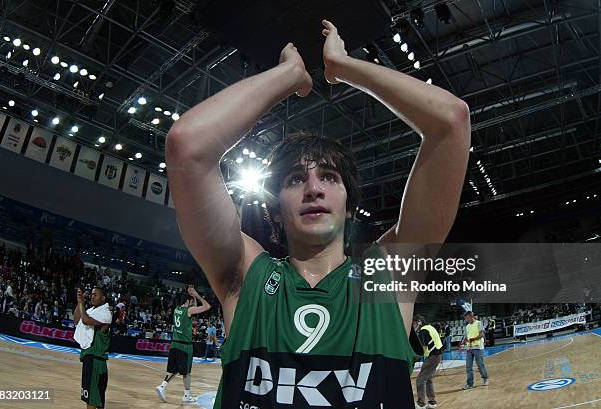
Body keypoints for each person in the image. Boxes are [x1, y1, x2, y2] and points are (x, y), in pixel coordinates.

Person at [166, 19, 470, 408]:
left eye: (329, 177)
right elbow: (186, 145)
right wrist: (287, 75)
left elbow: (451, 121)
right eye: (295, 180)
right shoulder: (245, 275)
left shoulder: (389, 275)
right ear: (275, 212)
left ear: (348, 206)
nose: (313, 188)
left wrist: (344, 66)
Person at [156, 286, 210, 404]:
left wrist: (192, 297)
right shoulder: (189, 311)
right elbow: (207, 306)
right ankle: (186, 396)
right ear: (188, 301)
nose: (192, 303)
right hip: (184, 346)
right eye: (191, 301)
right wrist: (196, 294)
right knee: (186, 373)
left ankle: (162, 386)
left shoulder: (177, 309)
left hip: (174, 344)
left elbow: (192, 307)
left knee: (173, 369)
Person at [74, 287, 112, 409]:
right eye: (91, 294)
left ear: (103, 298)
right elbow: (77, 320)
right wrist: (79, 302)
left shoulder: (106, 314)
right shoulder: (91, 311)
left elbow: (85, 320)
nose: (92, 296)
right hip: (91, 359)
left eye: (95, 295)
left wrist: (81, 304)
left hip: (96, 361)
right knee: (96, 400)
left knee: (92, 400)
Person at [413, 315, 443, 408]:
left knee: (420, 380)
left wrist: (414, 358)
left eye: (414, 323)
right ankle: (432, 402)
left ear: (419, 322)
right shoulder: (430, 327)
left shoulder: (423, 331)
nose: (413, 326)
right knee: (429, 379)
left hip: (432, 357)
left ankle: (421, 403)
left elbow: (423, 348)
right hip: (437, 356)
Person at [462, 311, 489, 389]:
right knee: (468, 367)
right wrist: (465, 341)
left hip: (478, 347)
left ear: (471, 317)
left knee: (480, 365)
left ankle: (485, 378)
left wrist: (473, 339)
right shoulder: (467, 326)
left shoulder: (478, 323)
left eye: (467, 318)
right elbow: (467, 337)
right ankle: (470, 384)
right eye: (465, 318)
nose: (466, 320)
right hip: (469, 348)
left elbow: (482, 335)